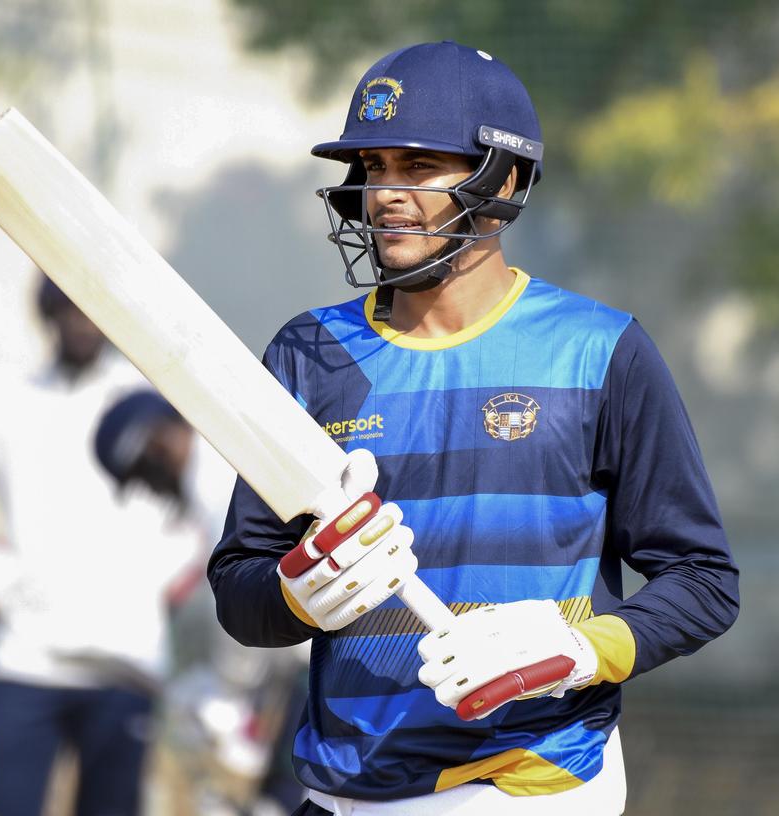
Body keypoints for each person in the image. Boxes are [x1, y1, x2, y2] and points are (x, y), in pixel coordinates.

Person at [207, 41, 740, 815]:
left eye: (418, 167)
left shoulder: (599, 352)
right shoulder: (307, 354)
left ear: (505, 178)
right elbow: (239, 588)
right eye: (374, 168)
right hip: (339, 788)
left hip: (525, 785)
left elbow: (703, 580)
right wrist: (297, 594)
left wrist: (579, 649)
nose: (387, 194)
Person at [0, 276, 205, 816]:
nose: (80, 319)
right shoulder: (6, 396)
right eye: (66, 305)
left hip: (127, 666)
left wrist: (167, 577)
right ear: (46, 310)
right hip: (27, 661)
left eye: (91, 305)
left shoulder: (151, 401)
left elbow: (204, 511)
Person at [94, 389, 309, 813]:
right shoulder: (222, 462)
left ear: (156, 445)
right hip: (307, 649)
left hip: (321, 650)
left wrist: (230, 697)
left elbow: (244, 602)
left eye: (145, 475)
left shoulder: (213, 482)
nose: (153, 491)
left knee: (292, 795)